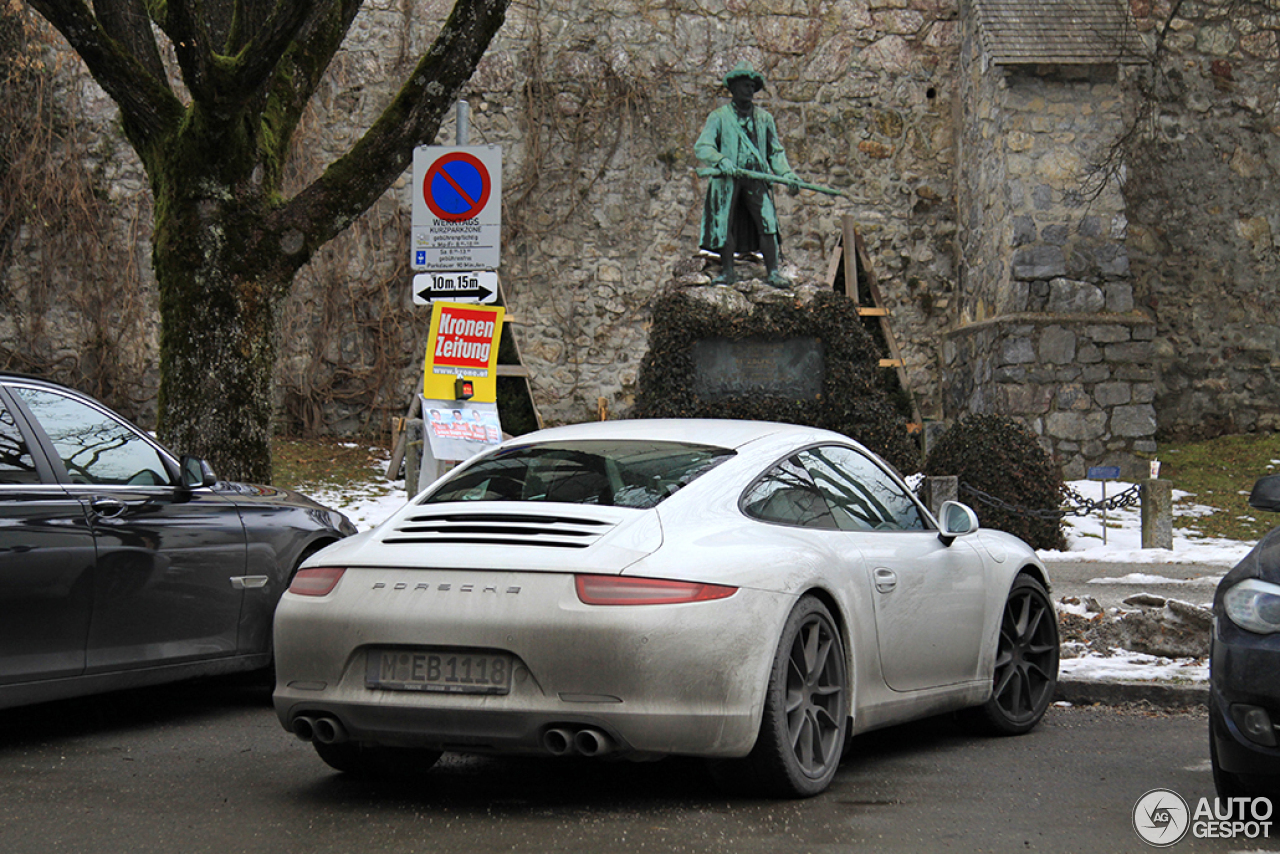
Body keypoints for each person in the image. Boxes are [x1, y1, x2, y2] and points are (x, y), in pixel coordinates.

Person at [694, 61, 799, 288]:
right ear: (733, 89)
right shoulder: (719, 117)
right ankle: (728, 272)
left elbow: (775, 151)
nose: (749, 90)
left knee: (767, 221)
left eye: (752, 86)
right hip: (728, 181)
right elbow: (703, 147)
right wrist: (721, 160)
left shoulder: (764, 119)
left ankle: (772, 272)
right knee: (725, 224)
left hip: (756, 178)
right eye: (745, 85)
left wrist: (787, 173)